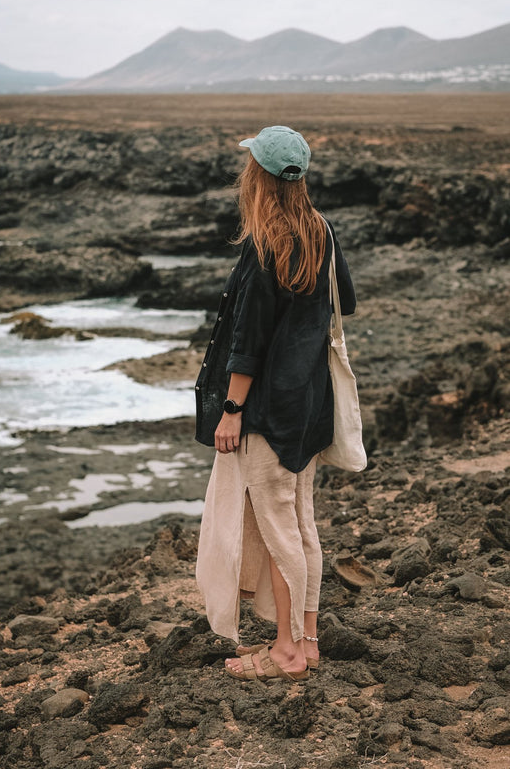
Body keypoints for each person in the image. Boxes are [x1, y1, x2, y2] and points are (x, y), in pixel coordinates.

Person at [195, 125, 356, 682]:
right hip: (309, 405)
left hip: (267, 410)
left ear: (258, 175)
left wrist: (232, 410)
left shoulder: (267, 242)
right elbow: (343, 303)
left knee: (279, 528)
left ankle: (286, 652)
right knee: (301, 523)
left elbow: (249, 342)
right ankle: (305, 642)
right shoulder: (320, 231)